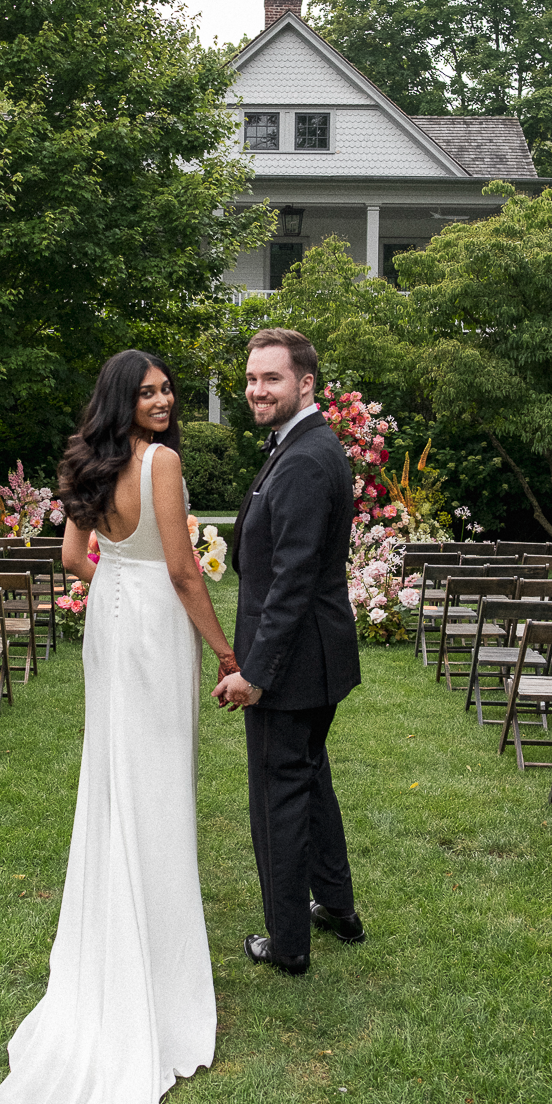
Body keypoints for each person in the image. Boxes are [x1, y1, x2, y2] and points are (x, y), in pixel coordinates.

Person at [0, 348, 236, 1104]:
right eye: (151, 391)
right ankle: (159, 987)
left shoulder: (91, 463)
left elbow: (70, 561)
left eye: (167, 390)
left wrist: (114, 574)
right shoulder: (161, 463)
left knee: (119, 783)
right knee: (157, 789)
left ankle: (126, 945)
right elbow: (180, 568)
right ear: (123, 401)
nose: (164, 401)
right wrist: (225, 653)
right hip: (154, 626)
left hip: (107, 622)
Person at [212, 328, 363, 976]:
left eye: (270, 378)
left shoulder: (305, 457)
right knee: (311, 782)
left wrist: (255, 674)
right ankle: (335, 906)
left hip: (294, 666)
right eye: (251, 378)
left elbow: (293, 579)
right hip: (315, 660)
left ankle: (288, 943)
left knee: (279, 796)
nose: (256, 389)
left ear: (305, 383)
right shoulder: (302, 444)